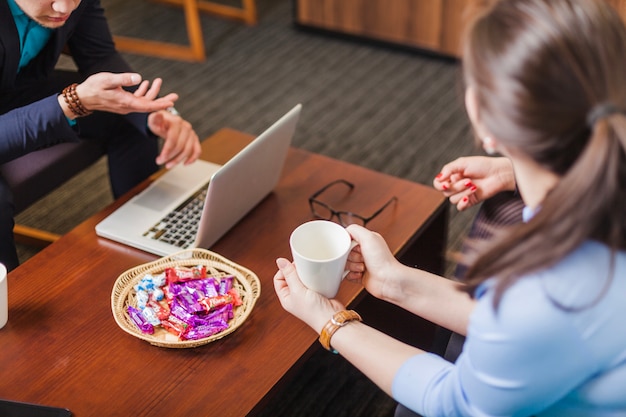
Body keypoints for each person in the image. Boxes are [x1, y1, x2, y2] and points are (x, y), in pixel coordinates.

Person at [273, 0, 626, 415]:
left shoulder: (548, 287)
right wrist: (393, 282)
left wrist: (328, 321)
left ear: (483, 118)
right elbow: (519, 326)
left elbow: (454, 402)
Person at [1, 0, 202, 271]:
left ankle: (147, 247)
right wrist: (69, 104)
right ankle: (10, 309)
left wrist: (153, 113)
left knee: (131, 118)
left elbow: (99, 56)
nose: (64, 7)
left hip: (17, 89)